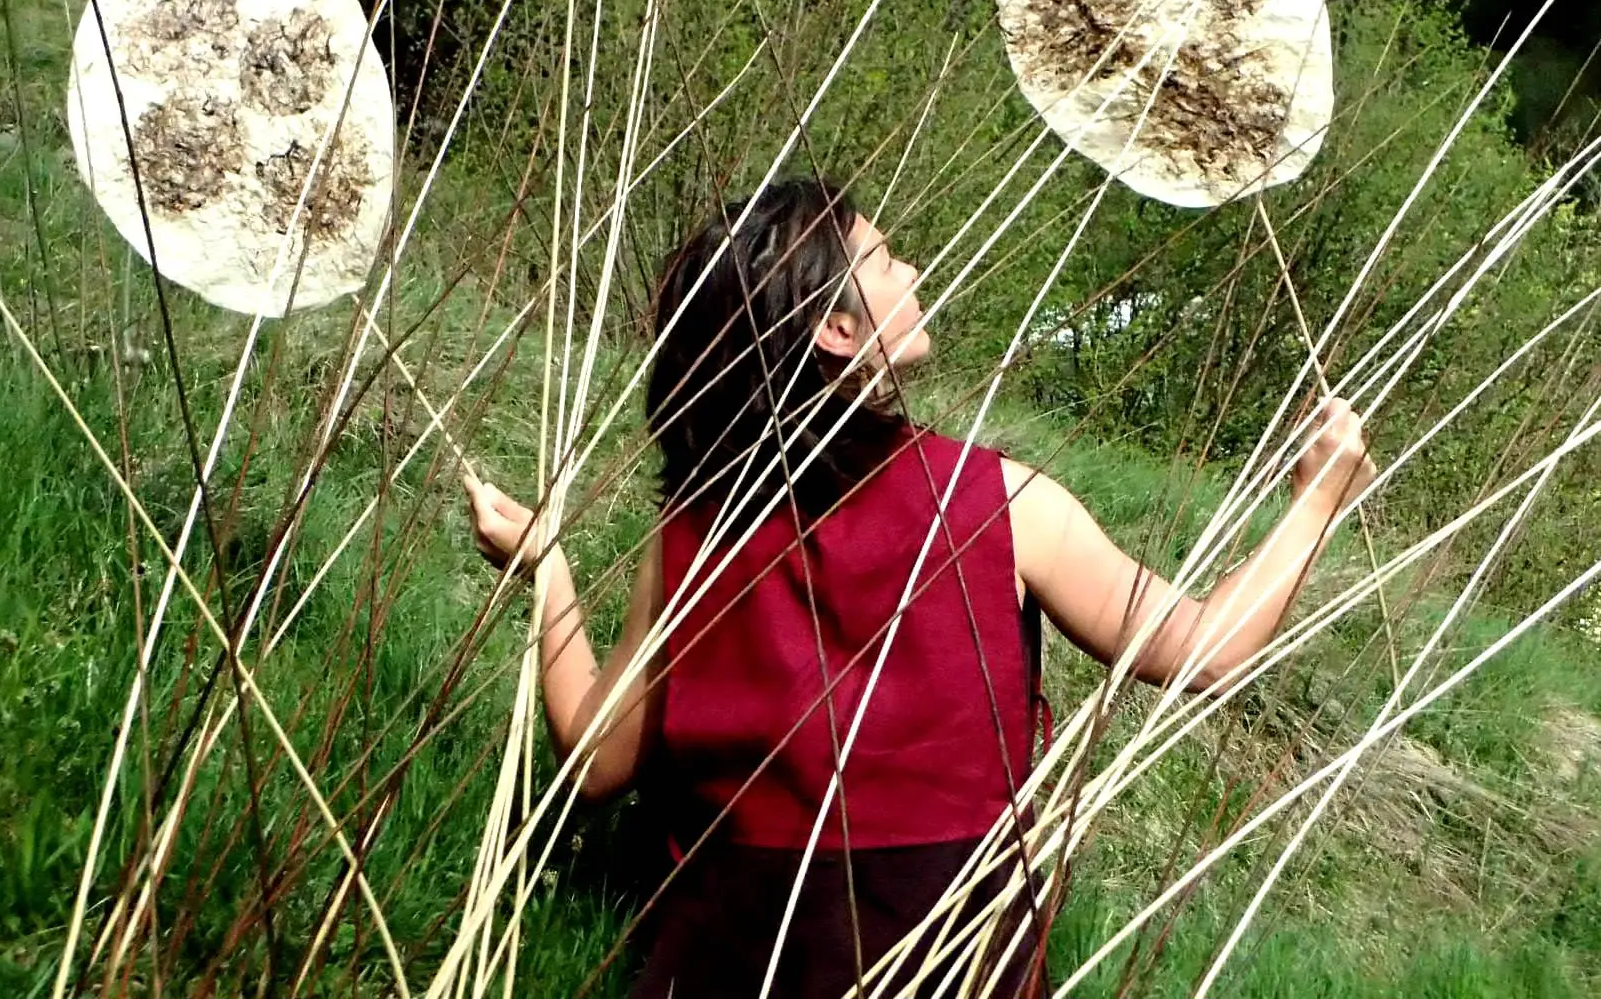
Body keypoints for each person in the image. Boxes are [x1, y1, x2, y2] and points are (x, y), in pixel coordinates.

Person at [463, 177, 1374, 999]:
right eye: (887, 257)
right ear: (839, 329)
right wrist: (1317, 499)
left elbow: (594, 758)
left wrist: (549, 568)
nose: (913, 267)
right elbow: (1206, 650)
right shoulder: (1001, 505)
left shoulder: (694, 533)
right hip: (949, 968)